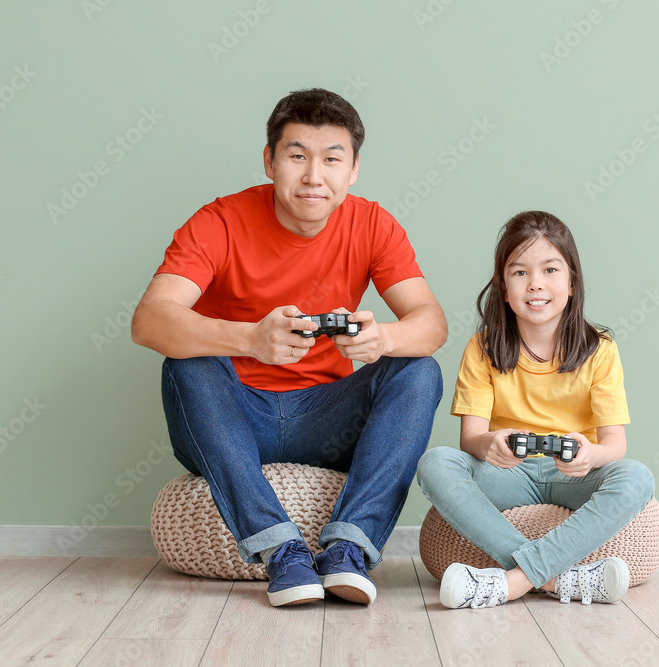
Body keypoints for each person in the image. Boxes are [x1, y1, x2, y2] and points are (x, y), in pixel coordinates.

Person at [131, 89, 446, 608]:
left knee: (418, 369)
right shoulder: (220, 221)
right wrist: (250, 338)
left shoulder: (373, 224)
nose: (313, 177)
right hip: (231, 418)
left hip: (327, 421)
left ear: (354, 168)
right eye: (297, 156)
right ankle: (282, 552)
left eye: (331, 159)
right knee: (187, 363)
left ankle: (347, 549)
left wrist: (382, 338)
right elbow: (149, 321)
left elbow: (431, 322)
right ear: (270, 160)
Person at [415, 210, 654, 609]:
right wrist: (491, 443)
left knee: (637, 477)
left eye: (550, 270)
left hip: (575, 475)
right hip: (509, 475)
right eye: (520, 272)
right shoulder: (484, 347)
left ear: (572, 282)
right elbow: (470, 439)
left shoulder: (600, 350)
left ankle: (513, 582)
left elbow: (615, 444)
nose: (536, 284)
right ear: (503, 288)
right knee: (436, 463)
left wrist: (590, 454)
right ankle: (557, 579)